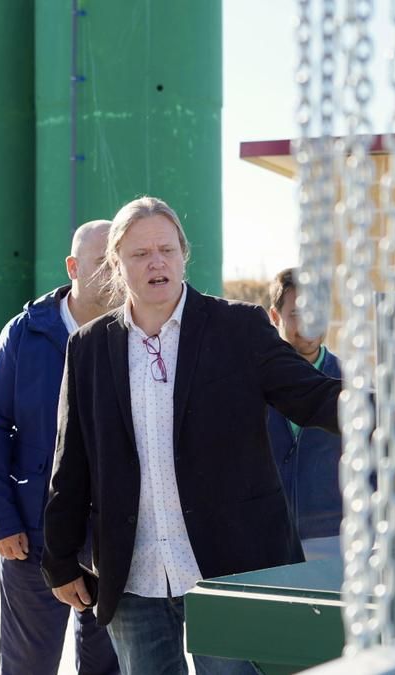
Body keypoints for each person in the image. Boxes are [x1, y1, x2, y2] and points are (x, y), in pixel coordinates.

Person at [42, 197, 342, 675]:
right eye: (140, 254)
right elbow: (71, 459)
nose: (156, 262)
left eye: (166, 249)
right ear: (118, 264)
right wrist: (59, 559)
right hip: (133, 577)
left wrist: (388, 409)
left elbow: (314, 397)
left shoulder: (238, 326)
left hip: (230, 570)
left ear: (184, 255)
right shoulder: (90, 346)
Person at [0, 220, 119, 675]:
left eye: (121, 261)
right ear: (73, 267)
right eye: (103, 262)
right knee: (28, 665)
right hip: (31, 535)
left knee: (106, 666)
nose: (115, 273)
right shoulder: (25, 332)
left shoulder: (137, 332)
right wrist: (1, 518)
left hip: (113, 536)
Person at [266, 267, 343, 560]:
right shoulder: (252, 384)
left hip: (334, 538)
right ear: (275, 317)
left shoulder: (352, 383)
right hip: (269, 537)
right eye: (297, 314)